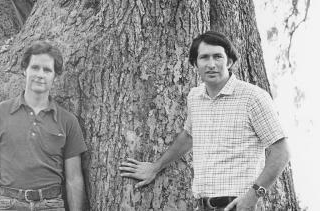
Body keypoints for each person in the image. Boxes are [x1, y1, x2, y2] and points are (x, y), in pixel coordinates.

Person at [119, 31, 290, 211]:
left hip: (239, 205)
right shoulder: (195, 97)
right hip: (203, 206)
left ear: (229, 61)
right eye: (204, 58)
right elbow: (189, 136)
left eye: (218, 57)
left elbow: (281, 151)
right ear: (195, 63)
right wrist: (156, 167)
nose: (211, 64)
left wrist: (253, 195)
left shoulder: (253, 97)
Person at [0, 41, 87, 211]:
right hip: (9, 204)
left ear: (54, 76)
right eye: (35, 67)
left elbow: (74, 179)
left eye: (47, 70)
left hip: (51, 204)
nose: (40, 75)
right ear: (24, 70)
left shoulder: (68, 121)